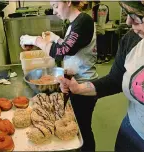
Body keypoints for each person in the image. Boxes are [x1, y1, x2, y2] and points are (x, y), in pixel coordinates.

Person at [58, 1, 144, 152]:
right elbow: (115, 80)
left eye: (136, 15)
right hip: (131, 133)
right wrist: (79, 88)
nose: (128, 22)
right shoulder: (132, 40)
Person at [20, 1, 98, 151]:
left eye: (56, 5)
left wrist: (35, 39)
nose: (54, 11)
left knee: (82, 130)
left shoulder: (84, 21)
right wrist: (55, 39)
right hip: (73, 81)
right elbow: (72, 48)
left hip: (84, 85)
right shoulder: (74, 24)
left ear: (68, 2)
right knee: (78, 126)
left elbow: (62, 51)